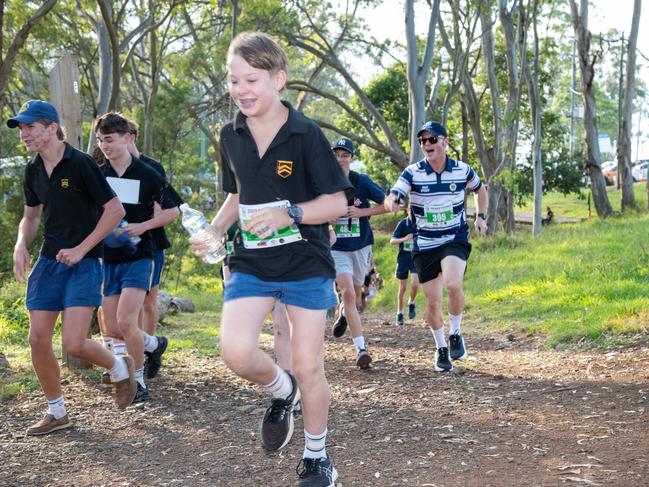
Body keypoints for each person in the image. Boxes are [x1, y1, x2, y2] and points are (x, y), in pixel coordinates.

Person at [190, 32, 349, 486]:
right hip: (252, 263)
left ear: (278, 79)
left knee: (308, 363)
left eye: (252, 79)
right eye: (234, 80)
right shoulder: (230, 134)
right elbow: (238, 195)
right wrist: (216, 230)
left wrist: (291, 213)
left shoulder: (306, 134)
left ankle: (318, 458)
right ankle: (282, 391)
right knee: (236, 351)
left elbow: (336, 203)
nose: (241, 89)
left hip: (305, 262)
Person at [8, 100, 137, 435]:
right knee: (37, 339)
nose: (24, 134)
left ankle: (119, 366)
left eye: (30, 127)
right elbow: (31, 216)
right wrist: (22, 244)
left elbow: (115, 211)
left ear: (51, 128)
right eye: (21, 128)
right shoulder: (33, 171)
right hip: (49, 263)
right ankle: (57, 412)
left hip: (84, 262)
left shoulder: (80, 163)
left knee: (75, 343)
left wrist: (82, 249)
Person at [384, 121, 488, 372]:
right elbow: (397, 191)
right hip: (425, 243)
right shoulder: (413, 172)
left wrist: (481, 217)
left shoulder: (462, 170)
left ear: (445, 141)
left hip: (454, 238)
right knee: (432, 302)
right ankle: (441, 348)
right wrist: (393, 200)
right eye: (423, 141)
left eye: (432, 140)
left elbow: (480, 189)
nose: (427, 145)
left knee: (453, 284)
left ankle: (456, 333)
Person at [94, 112, 180, 403]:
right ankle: (154, 344)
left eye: (109, 140)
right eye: (100, 140)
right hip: (108, 258)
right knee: (112, 325)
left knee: (127, 321)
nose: (104, 146)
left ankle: (138, 381)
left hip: (140, 256)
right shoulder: (98, 175)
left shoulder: (146, 173)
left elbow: (173, 210)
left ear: (125, 138)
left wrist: (142, 226)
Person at [126, 121, 183, 379]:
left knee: (148, 301)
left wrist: (144, 225)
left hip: (151, 242)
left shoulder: (152, 168)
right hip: (119, 246)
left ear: (131, 137)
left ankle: (151, 353)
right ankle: (134, 353)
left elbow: (166, 207)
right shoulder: (107, 168)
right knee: (129, 305)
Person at [329, 137, 386, 369]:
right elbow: (309, 209)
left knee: (354, 295)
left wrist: (362, 212)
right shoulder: (323, 182)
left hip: (361, 246)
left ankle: (344, 311)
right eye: (337, 154)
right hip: (337, 248)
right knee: (349, 294)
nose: (341, 159)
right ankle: (361, 349)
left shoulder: (361, 181)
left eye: (345, 155)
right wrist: (325, 216)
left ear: (352, 158)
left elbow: (388, 204)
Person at [390, 203, 420, 326]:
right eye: (411, 210)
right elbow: (392, 241)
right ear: (407, 210)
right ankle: (399, 314)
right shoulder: (403, 224)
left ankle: (411, 302)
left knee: (415, 284)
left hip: (416, 258)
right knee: (402, 288)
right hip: (403, 258)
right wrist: (404, 239)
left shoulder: (420, 224)